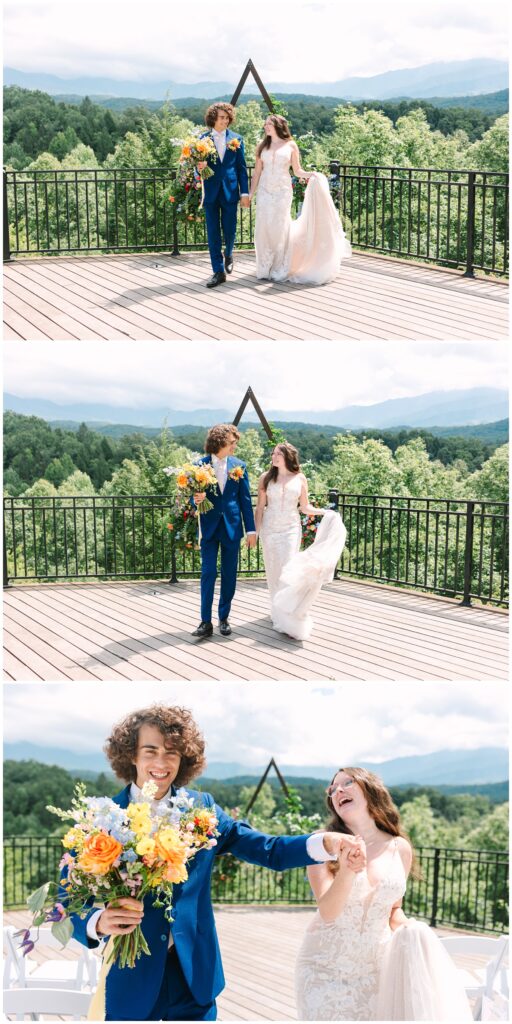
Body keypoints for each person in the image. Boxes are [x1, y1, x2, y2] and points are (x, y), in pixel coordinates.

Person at [65, 705, 365, 1021]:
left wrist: (325, 843)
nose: (161, 763)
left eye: (171, 753)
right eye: (150, 751)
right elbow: (66, 902)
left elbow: (267, 849)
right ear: (131, 756)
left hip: (196, 979)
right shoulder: (101, 820)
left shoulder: (202, 809)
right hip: (131, 981)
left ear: (183, 758)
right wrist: (97, 921)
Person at [295, 767, 473, 1021]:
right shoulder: (321, 844)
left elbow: (392, 908)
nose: (338, 791)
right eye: (332, 789)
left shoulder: (399, 848)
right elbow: (328, 912)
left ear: (371, 790)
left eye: (347, 783)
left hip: (377, 972)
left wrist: (410, 929)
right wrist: (346, 869)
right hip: (322, 970)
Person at [255, 442, 346, 640]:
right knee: (273, 570)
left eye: (278, 453)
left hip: (290, 528)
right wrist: (255, 531)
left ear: (287, 456)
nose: (274, 456)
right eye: (273, 453)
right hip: (270, 529)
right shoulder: (265, 478)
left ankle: (288, 612)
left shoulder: (300, 478)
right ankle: (277, 611)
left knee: (288, 568)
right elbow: (260, 508)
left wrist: (325, 512)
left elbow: (304, 507)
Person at [248, 114, 352, 284]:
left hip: (282, 191)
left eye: (269, 124)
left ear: (279, 126)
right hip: (265, 191)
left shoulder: (291, 145)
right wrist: (251, 193)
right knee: (264, 226)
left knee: (280, 227)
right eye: (265, 124)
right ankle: (264, 267)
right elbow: (257, 173)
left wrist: (313, 174)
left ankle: (280, 266)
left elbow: (297, 171)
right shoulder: (262, 146)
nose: (265, 126)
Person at [191, 424, 256, 640]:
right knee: (208, 573)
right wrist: (195, 500)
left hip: (232, 528)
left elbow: (245, 501)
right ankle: (205, 622)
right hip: (208, 529)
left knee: (229, 575)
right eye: (232, 442)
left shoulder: (240, 466)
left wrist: (251, 530)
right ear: (220, 443)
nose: (235, 446)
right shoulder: (198, 466)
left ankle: (224, 618)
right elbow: (192, 496)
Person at [197, 102, 250, 288]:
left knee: (229, 229)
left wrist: (245, 193)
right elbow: (196, 169)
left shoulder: (237, 139)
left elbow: (241, 169)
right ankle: (218, 271)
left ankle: (228, 253)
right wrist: (199, 169)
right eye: (222, 117)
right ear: (213, 118)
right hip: (210, 193)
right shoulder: (202, 140)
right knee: (212, 232)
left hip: (230, 191)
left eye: (227, 118)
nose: (225, 120)